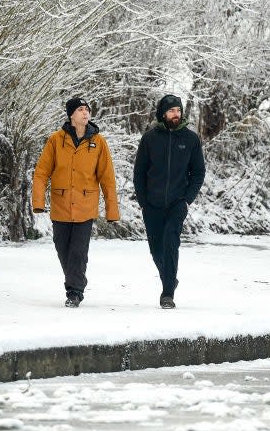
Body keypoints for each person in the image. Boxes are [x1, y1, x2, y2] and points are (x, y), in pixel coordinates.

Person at [32, 96, 119, 308]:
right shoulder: (55, 140)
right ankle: (77, 280)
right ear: (71, 114)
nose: (85, 113)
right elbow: (42, 172)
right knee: (62, 249)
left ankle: (74, 291)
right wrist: (38, 201)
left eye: (87, 109)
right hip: (61, 205)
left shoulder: (98, 142)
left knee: (78, 251)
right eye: (80, 109)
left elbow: (107, 178)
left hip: (85, 206)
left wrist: (112, 210)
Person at [133, 94, 205, 309]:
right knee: (156, 248)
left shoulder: (191, 139)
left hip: (177, 203)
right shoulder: (150, 138)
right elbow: (139, 173)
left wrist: (187, 201)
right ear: (163, 113)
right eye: (172, 111)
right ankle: (169, 277)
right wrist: (143, 201)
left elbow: (198, 173)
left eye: (178, 110)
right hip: (152, 204)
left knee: (170, 242)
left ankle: (167, 293)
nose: (176, 114)